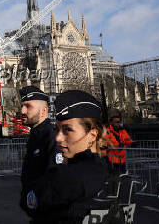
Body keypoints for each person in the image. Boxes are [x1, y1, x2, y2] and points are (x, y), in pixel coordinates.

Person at [22, 90, 109, 223]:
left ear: (92, 135)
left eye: (68, 130)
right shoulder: (104, 168)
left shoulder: (68, 178)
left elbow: (30, 203)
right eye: (57, 129)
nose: (58, 137)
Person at [19, 86, 57, 208]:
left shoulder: (51, 136)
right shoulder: (35, 134)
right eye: (22, 106)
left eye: (28, 106)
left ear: (44, 111)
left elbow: (54, 178)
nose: (22, 111)